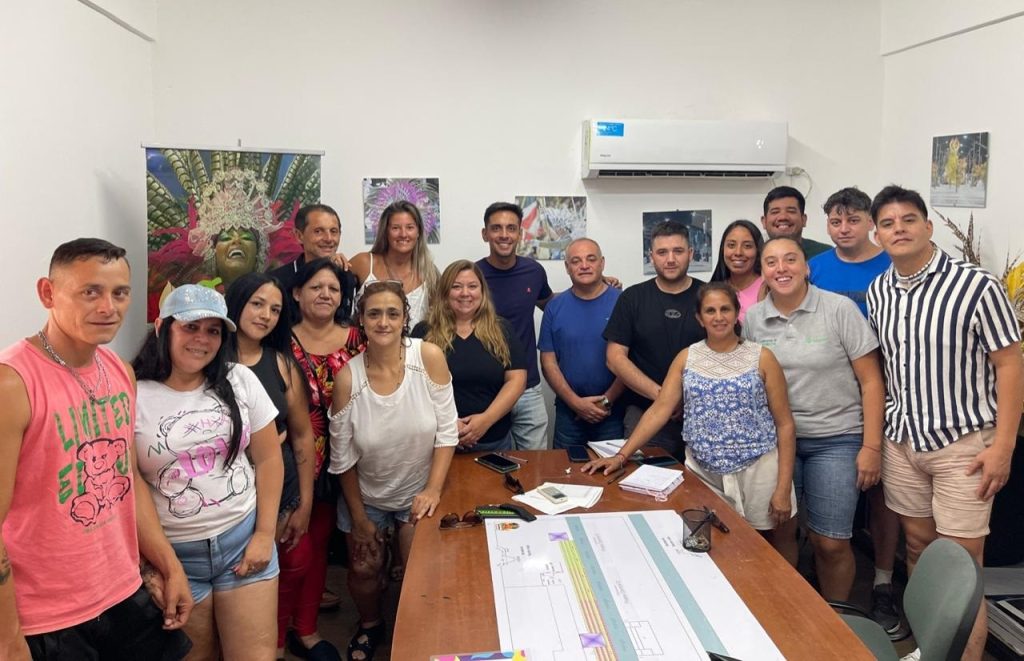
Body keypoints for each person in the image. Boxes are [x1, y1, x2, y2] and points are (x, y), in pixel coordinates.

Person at [0, 238, 192, 661]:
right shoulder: (12, 383)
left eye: (120, 293)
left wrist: (167, 564)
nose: (109, 307)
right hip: (46, 617)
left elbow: (127, 479)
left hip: (121, 590)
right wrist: (7, 638)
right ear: (48, 293)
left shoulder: (119, 371)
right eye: (91, 292)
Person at [867, 185, 1023, 661]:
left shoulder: (976, 286)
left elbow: (1011, 364)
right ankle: (932, 650)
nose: (899, 229)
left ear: (928, 226)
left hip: (964, 446)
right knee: (918, 550)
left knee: (961, 567)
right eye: (888, 224)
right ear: (877, 236)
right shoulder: (879, 291)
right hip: (904, 442)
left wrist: (1004, 447)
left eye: (908, 219)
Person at [133, 284, 284, 660]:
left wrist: (264, 534)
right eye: (190, 327)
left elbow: (269, 458)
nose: (201, 339)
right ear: (162, 327)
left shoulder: (240, 379)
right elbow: (130, 486)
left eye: (213, 330)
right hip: (175, 556)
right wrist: (154, 564)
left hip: (242, 543)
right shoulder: (134, 394)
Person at [584, 283, 797, 532]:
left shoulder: (762, 357)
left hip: (759, 470)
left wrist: (783, 488)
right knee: (713, 541)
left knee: (773, 541)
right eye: (710, 311)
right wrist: (621, 456)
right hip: (704, 473)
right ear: (699, 318)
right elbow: (659, 410)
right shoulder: (687, 358)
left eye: (725, 309)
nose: (718, 317)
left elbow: (785, 424)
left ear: (736, 313)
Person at [743, 238, 884, 603]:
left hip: (836, 438)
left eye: (790, 259)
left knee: (830, 542)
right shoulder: (754, 319)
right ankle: (788, 616)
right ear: (763, 273)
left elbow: (871, 381)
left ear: (806, 267)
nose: (782, 268)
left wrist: (872, 447)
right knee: (780, 532)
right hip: (776, 443)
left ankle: (836, 619)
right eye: (772, 262)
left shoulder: (839, 309)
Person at [329, 281, 458, 661]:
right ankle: (370, 624)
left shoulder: (428, 356)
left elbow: (447, 431)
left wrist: (433, 490)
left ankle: (416, 632)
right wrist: (358, 518)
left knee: (420, 569)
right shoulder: (348, 378)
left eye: (392, 313)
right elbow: (342, 458)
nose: (383, 322)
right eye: (374, 314)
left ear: (405, 319)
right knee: (364, 568)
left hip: (419, 487)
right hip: (367, 493)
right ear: (361, 321)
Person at [808, 186, 902, 637]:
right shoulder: (814, 267)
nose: (844, 229)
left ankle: (883, 581)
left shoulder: (892, 264)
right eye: (835, 221)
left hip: (890, 392)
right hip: (831, 398)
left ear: (870, 223)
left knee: (884, 493)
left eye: (853, 220)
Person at [224, 273, 319, 659]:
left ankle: (275, 645)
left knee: (287, 566)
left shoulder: (281, 363)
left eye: (275, 309)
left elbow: (302, 435)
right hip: (228, 498)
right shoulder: (208, 357)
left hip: (282, 490)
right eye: (257, 304)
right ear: (237, 303)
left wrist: (306, 502)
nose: (265, 315)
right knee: (238, 579)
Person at [287, 257, 362, 659]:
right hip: (296, 457)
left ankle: (307, 628)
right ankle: (276, 633)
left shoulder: (359, 338)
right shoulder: (279, 339)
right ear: (297, 293)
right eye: (316, 287)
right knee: (293, 547)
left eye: (333, 288)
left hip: (349, 456)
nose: (325, 294)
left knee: (320, 544)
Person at [604, 220, 706, 457]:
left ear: (691, 253)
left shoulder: (709, 296)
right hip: (644, 411)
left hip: (702, 412)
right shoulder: (632, 298)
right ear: (651, 257)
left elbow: (725, 351)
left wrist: (683, 400)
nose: (670, 259)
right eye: (662, 252)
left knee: (702, 480)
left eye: (678, 251)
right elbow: (614, 358)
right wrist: (663, 397)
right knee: (642, 478)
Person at [412, 260, 527, 453]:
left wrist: (485, 420)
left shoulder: (502, 329)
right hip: (439, 440)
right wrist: (449, 422)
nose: (465, 293)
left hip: (493, 441)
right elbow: (413, 385)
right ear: (444, 292)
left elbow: (517, 380)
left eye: (472, 286)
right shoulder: (424, 332)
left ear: (482, 292)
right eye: (456, 287)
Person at [476, 201, 553, 451]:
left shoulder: (534, 271)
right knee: (490, 465)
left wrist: (594, 285)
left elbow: (551, 305)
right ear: (485, 234)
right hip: (487, 389)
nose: (504, 235)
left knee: (536, 463)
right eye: (496, 228)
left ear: (520, 234)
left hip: (528, 388)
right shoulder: (473, 276)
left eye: (511, 228)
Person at [538, 238, 625, 448]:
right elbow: (548, 363)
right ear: (567, 267)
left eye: (591, 259)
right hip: (568, 412)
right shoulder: (554, 307)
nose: (584, 266)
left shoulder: (623, 303)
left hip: (613, 411)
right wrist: (576, 403)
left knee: (612, 467)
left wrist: (606, 401)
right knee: (565, 467)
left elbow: (633, 359)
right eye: (576, 261)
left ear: (602, 263)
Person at [350, 201, 438, 328]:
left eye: (410, 227)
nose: (403, 234)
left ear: (418, 232)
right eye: (396, 228)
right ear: (386, 232)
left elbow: (438, 321)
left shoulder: (430, 274)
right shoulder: (364, 263)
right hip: (364, 341)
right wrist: (333, 260)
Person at [268, 203, 350, 301]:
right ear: (299, 236)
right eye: (318, 231)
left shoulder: (347, 277)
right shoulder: (276, 283)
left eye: (333, 231)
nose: (328, 239)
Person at [709, 219, 765, 322]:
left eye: (747, 246)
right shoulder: (713, 289)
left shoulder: (767, 288)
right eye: (731, 245)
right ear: (723, 249)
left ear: (758, 250)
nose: (738, 252)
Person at [760, 186, 830, 259]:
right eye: (775, 212)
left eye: (791, 211)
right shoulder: (755, 257)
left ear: (803, 220)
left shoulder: (825, 255)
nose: (783, 217)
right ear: (764, 221)